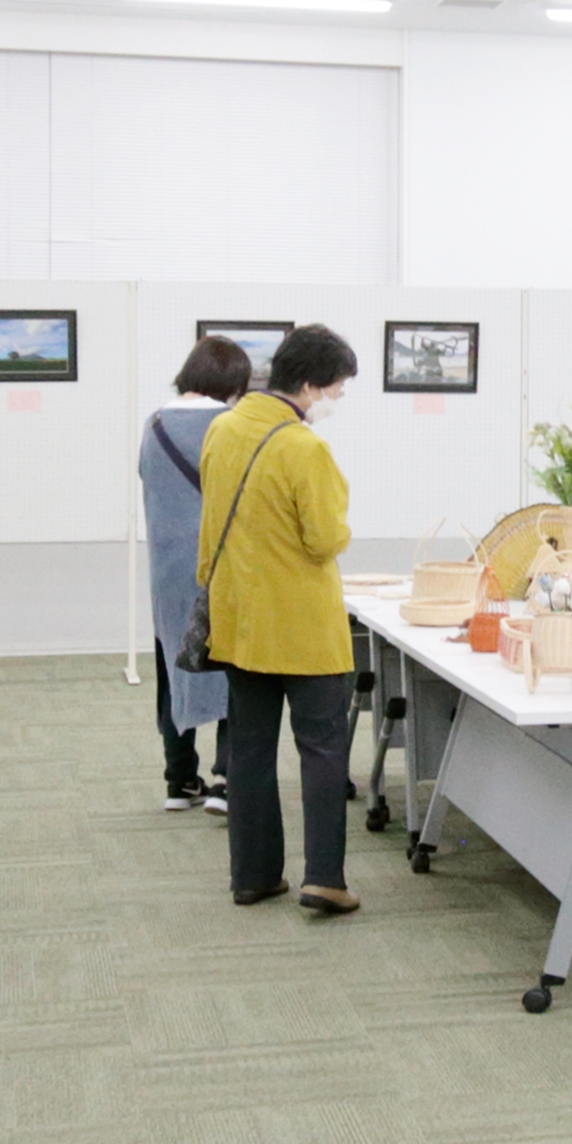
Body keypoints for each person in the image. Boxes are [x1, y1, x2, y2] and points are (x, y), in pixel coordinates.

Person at [192, 322, 362, 916]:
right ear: (311, 384)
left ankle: (254, 875)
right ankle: (324, 878)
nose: (336, 401)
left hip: (239, 621)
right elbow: (324, 539)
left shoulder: (223, 429)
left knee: (251, 749)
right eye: (336, 390)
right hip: (304, 627)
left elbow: (211, 521)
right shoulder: (305, 447)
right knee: (321, 748)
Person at [138, 331, 250, 811]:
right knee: (234, 667)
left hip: (166, 568)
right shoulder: (233, 424)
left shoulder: (155, 423)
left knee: (172, 667)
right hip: (221, 566)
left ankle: (179, 780)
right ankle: (226, 778)